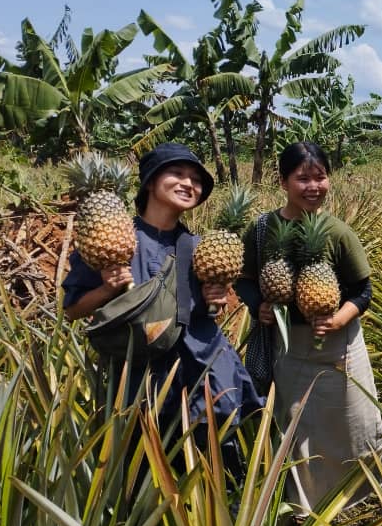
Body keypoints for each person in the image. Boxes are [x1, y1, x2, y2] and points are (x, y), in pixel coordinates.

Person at [62, 142, 264, 469]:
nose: (188, 183)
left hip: (202, 373)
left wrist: (214, 302)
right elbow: (73, 310)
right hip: (141, 378)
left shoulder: (199, 246)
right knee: (145, 468)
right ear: (150, 181)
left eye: (195, 179)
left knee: (211, 466)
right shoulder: (110, 237)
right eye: (177, 173)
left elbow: (208, 315)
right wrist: (107, 288)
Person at [237, 141, 382, 514]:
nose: (313, 186)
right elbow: (245, 279)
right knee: (298, 432)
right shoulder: (262, 229)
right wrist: (258, 305)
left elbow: (363, 291)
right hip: (289, 348)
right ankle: (307, 512)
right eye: (303, 178)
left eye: (320, 177)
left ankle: (362, 503)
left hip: (341, 346)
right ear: (283, 181)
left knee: (355, 424)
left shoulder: (338, 232)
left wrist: (338, 318)